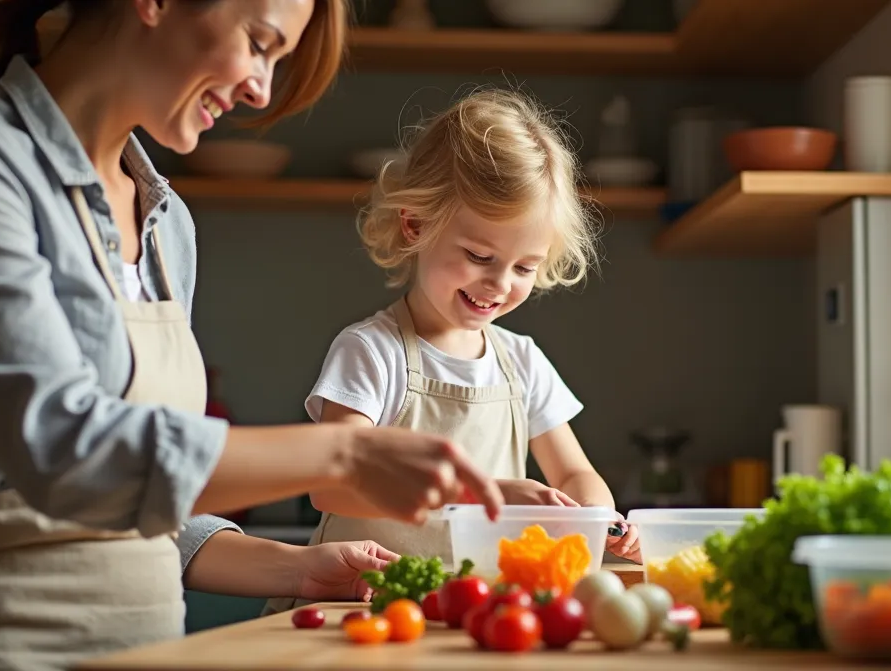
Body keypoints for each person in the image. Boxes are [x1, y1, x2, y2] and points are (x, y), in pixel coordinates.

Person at [0, 0, 503, 669]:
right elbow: (63, 450)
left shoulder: (167, 223)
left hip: (146, 648)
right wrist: (347, 455)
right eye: (259, 43)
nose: (261, 88)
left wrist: (296, 568)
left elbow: (141, 497)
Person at [261, 88, 641, 616]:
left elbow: (576, 475)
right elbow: (333, 488)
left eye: (525, 267)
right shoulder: (372, 352)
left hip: (469, 613)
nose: (500, 283)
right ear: (416, 225)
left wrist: (597, 520)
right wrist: (487, 494)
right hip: (358, 607)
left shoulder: (522, 361)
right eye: (480, 255)